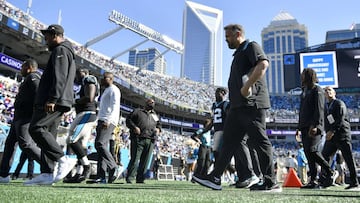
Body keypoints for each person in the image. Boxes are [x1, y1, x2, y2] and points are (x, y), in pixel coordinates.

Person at [192, 24, 280, 192]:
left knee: (260, 142)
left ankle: (270, 182)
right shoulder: (238, 53)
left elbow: (263, 64)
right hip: (237, 107)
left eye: (228, 37)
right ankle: (215, 177)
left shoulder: (251, 46)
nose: (226, 40)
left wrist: (247, 86)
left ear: (238, 34)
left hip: (251, 105)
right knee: (229, 142)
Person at [25, 24, 77, 186]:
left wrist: (53, 99)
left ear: (55, 35)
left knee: (36, 128)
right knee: (48, 134)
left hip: (55, 100)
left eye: (47, 36)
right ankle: (47, 173)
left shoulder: (60, 50)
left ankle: (63, 159)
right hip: (60, 100)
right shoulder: (63, 50)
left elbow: (59, 77)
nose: (45, 39)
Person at [0, 59, 41, 184]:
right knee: (9, 145)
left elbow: (38, 93)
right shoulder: (27, 78)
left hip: (26, 117)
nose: (20, 69)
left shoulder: (34, 77)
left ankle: (49, 164)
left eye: (22, 67)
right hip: (18, 117)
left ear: (29, 67)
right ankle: (3, 174)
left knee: (26, 144)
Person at [296, 68, 337, 189]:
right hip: (304, 126)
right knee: (308, 153)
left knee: (313, 151)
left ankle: (329, 171)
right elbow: (302, 111)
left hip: (313, 126)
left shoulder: (317, 90)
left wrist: (316, 126)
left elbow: (319, 109)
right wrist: (298, 127)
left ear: (309, 76)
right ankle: (313, 180)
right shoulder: (304, 91)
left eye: (303, 75)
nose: (301, 77)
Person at [64, 68, 99, 183]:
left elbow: (90, 97)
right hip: (83, 114)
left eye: (78, 74)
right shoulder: (83, 84)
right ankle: (79, 173)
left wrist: (74, 102)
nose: (77, 77)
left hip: (87, 113)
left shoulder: (89, 79)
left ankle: (86, 166)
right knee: (82, 145)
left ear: (84, 73)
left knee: (72, 139)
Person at [321, 86, 359, 190]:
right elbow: (326, 121)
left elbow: (340, 119)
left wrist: (332, 131)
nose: (327, 92)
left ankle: (354, 182)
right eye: (326, 91)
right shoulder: (326, 106)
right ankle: (326, 179)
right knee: (324, 157)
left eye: (330, 90)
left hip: (342, 135)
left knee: (348, 159)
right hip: (331, 138)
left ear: (334, 93)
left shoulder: (339, 103)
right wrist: (326, 132)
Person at [87, 72, 121, 184]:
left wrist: (109, 120)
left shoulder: (114, 90)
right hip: (102, 120)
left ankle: (113, 166)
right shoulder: (106, 90)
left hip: (108, 121)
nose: (101, 80)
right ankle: (101, 176)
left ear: (110, 79)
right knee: (102, 147)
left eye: (104, 78)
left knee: (99, 143)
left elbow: (115, 106)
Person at [125, 98, 161, 184]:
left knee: (145, 161)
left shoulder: (155, 115)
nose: (152, 103)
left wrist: (158, 129)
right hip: (138, 138)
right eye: (150, 102)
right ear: (146, 103)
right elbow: (128, 120)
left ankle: (140, 179)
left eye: (153, 102)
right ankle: (130, 177)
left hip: (151, 139)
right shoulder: (137, 111)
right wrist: (134, 127)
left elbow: (159, 125)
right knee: (135, 159)